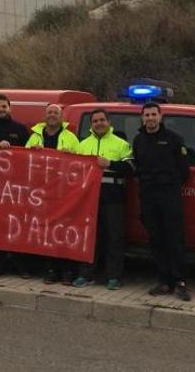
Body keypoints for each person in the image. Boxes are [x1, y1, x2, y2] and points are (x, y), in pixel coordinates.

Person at [132, 102, 191, 301]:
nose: (150, 118)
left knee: (174, 239)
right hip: (148, 197)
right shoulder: (138, 140)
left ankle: (180, 282)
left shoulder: (173, 139)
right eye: (146, 115)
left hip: (169, 196)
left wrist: (169, 186)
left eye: (153, 114)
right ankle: (164, 281)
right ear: (142, 118)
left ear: (160, 116)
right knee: (156, 240)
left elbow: (184, 171)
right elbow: (137, 168)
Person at [74, 109, 134, 290]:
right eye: (95, 121)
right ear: (91, 124)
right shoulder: (82, 144)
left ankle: (113, 277)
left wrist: (110, 164)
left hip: (113, 197)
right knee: (89, 237)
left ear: (108, 122)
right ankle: (86, 274)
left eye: (102, 120)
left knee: (114, 237)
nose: (99, 123)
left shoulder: (121, 144)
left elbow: (131, 167)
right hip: (88, 199)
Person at [25, 103, 80, 284]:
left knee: (64, 232)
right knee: (48, 233)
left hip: (64, 193)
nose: (52, 115)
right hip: (42, 193)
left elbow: (81, 163)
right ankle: (50, 270)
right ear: (44, 116)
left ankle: (67, 271)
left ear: (62, 116)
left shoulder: (71, 138)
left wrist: (71, 155)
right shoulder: (34, 137)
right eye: (49, 113)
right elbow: (22, 161)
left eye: (56, 113)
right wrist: (31, 153)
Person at [0, 93, 30, 278]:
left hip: (17, 189)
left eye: (4, 106)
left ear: (10, 108)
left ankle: (22, 266)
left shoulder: (21, 130)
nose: (1, 110)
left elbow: (30, 157)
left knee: (18, 228)